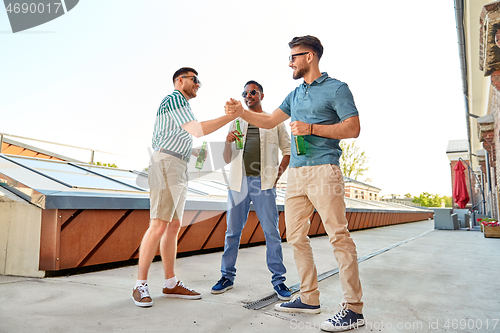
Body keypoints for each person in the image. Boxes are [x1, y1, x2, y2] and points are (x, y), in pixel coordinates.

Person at [225, 36, 365, 332]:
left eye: (294, 57)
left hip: (324, 170)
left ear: (310, 56)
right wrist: (240, 113)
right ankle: (309, 297)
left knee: (338, 236)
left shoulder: (337, 88)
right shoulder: (294, 94)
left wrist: (311, 128)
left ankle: (353, 309)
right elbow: (267, 120)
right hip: (297, 176)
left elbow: (353, 128)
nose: (290, 62)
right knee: (296, 237)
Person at [132, 67, 243, 307]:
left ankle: (170, 283)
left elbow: (181, 136)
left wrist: (191, 151)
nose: (198, 84)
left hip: (178, 165)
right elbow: (197, 130)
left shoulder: (183, 105)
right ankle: (139, 285)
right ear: (179, 80)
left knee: (172, 226)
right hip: (166, 164)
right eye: (195, 79)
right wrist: (231, 116)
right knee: (159, 224)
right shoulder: (174, 98)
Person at [211, 80, 292, 300]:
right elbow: (227, 158)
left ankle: (279, 281)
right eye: (245, 93)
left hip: (264, 183)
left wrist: (278, 173)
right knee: (232, 232)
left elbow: (288, 150)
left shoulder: (274, 122)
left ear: (262, 95)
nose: (248, 95)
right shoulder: (236, 122)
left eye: (253, 92)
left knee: (271, 233)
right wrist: (227, 142)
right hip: (238, 183)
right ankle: (226, 276)